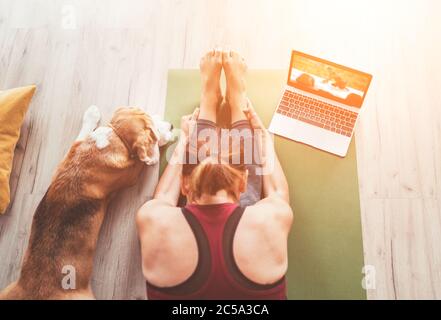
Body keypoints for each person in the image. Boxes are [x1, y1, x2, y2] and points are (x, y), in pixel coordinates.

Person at [136, 49, 293, 300]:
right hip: (236, 206)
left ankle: (210, 103)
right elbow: (277, 193)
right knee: (245, 201)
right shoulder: (269, 219)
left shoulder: (155, 220)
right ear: (242, 184)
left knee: (223, 175)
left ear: (185, 187)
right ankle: (235, 101)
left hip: (196, 205)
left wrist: (186, 138)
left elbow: (164, 197)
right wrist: (262, 137)